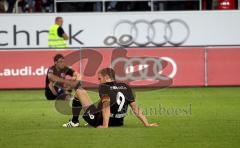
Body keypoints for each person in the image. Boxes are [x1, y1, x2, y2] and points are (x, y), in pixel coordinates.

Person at [63, 68, 159, 128]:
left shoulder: (104, 87)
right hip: (119, 122)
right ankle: (90, 119)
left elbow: (106, 106)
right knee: (98, 103)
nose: (99, 81)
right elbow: (135, 107)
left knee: (79, 91)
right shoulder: (125, 86)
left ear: (107, 77)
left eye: (100, 78)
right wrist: (147, 124)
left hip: (102, 122)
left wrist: (105, 125)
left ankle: (74, 122)